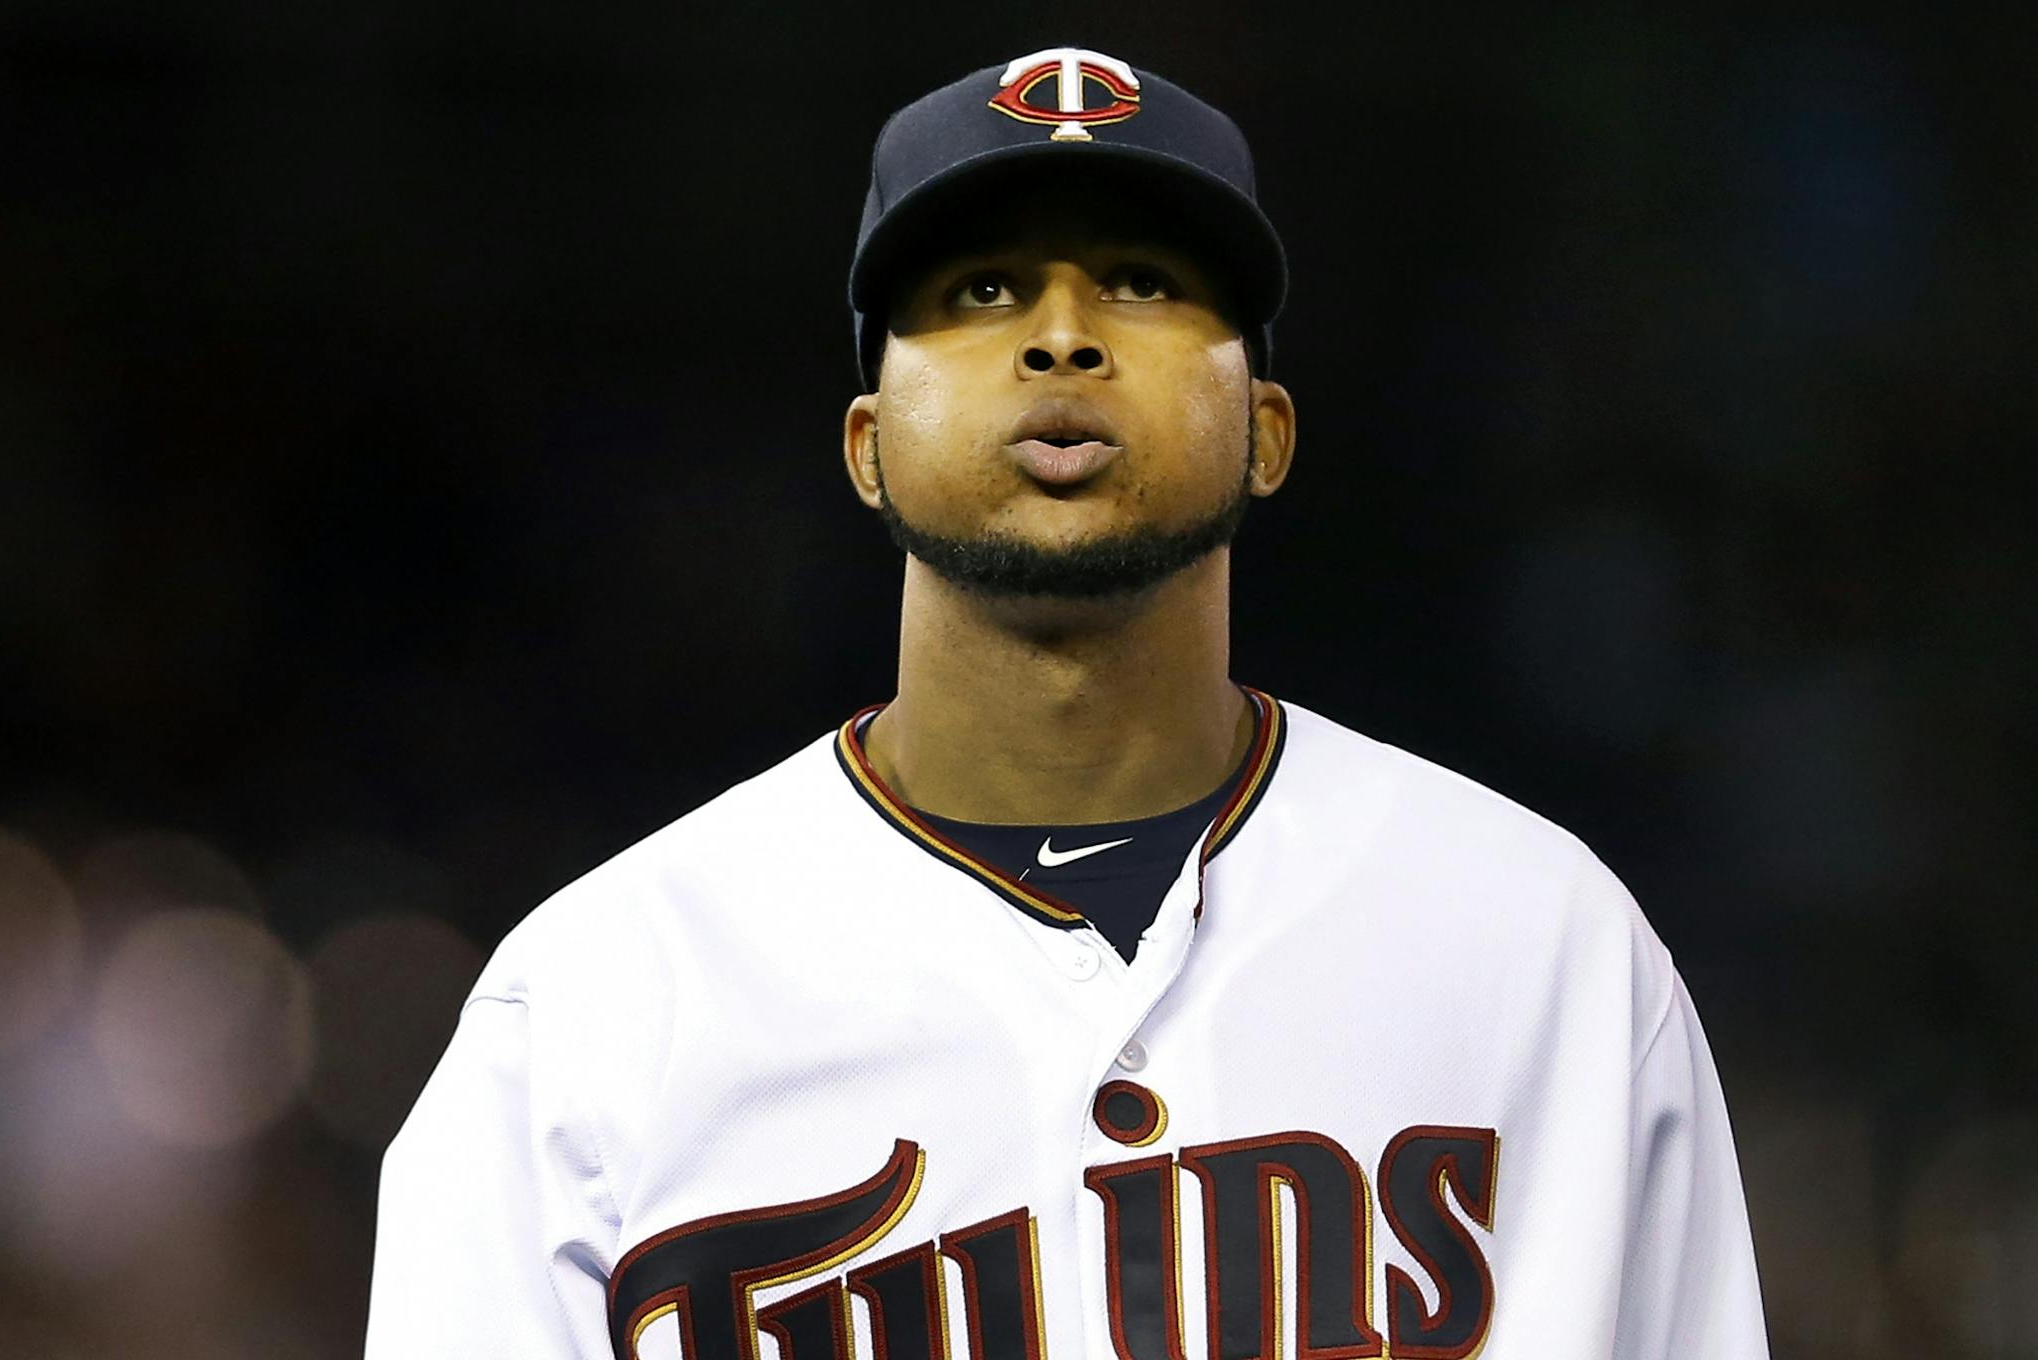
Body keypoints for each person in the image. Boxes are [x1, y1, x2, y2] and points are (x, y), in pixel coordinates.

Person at [366, 46, 1770, 1360]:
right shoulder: (603, 1002)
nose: (1061, 340)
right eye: (979, 292)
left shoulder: (1544, 947)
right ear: (867, 446)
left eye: (1146, 282)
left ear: (1268, 432)